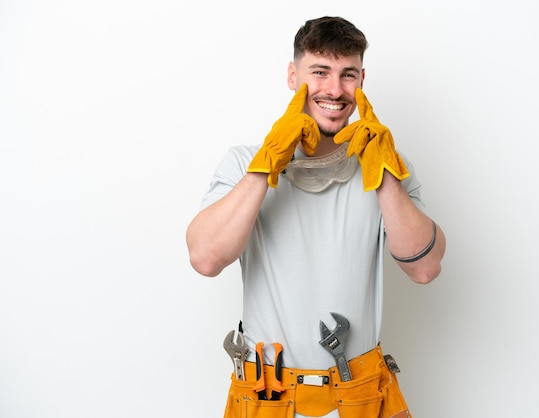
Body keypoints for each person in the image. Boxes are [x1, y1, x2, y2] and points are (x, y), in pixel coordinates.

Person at [186, 16, 446, 418]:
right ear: (293, 75)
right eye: (319, 72)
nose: (335, 90)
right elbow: (205, 258)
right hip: (267, 395)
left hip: (360, 395)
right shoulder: (244, 164)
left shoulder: (386, 165)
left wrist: (384, 175)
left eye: (348, 75)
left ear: (362, 81)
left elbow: (426, 268)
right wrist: (265, 165)